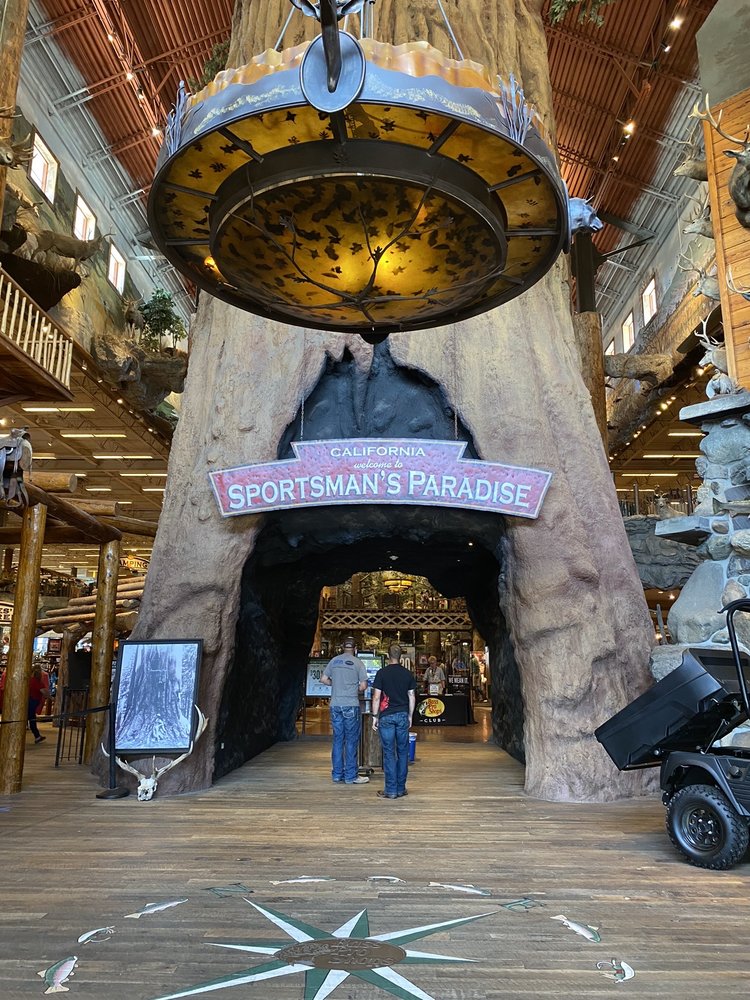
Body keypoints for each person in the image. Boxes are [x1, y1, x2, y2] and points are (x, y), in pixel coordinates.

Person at [320, 637, 369, 785]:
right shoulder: (358, 663)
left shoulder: (334, 661)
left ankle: (337, 774)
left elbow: (323, 679)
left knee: (338, 740)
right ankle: (351, 776)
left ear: (342, 647)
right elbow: (363, 686)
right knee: (351, 741)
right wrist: (353, 689)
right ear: (355, 649)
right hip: (351, 704)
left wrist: (335, 684)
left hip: (335, 704)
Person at [371, 643, 416, 799]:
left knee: (389, 752)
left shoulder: (381, 673)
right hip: (402, 715)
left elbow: (376, 697)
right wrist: (410, 715)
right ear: (400, 656)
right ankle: (401, 788)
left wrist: (375, 716)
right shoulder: (408, 674)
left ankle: (391, 790)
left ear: (388, 655)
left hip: (386, 716)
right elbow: (411, 696)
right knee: (403, 752)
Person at [28, 664, 50, 744]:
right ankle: (37, 736)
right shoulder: (37, 682)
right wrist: (51, 697)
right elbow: (44, 692)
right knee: (32, 718)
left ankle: (37, 736)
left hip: (31, 700)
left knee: (31, 718)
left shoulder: (30, 680)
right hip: (33, 701)